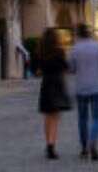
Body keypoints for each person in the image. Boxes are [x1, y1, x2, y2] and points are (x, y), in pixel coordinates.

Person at [69, 24, 98, 161]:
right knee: (97, 118)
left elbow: (71, 68)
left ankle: (84, 148)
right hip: (97, 87)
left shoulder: (75, 48)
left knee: (82, 119)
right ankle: (93, 143)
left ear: (79, 34)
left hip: (81, 88)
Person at [38, 30, 72, 160]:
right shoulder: (59, 52)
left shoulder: (42, 52)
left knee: (47, 117)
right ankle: (52, 146)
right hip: (57, 84)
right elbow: (66, 68)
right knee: (55, 117)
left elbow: (39, 69)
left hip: (46, 84)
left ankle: (48, 144)